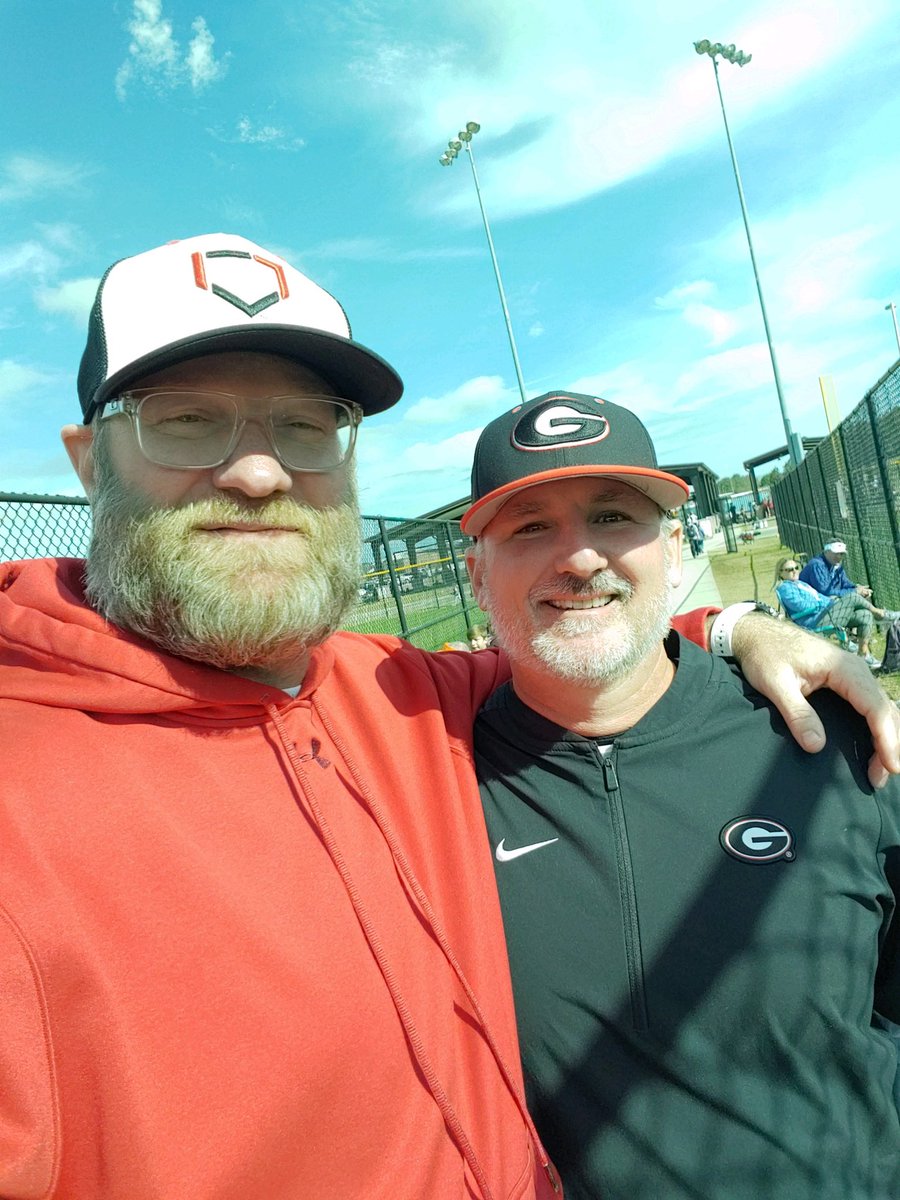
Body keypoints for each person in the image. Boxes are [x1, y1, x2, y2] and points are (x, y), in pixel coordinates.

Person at [0, 236, 897, 1200]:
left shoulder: (400, 693)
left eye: (308, 424)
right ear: (90, 463)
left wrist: (728, 626)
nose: (258, 472)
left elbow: (581, 652)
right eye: (185, 420)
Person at [462, 393, 900, 1200]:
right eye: (529, 526)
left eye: (613, 517)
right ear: (476, 573)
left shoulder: (825, 737)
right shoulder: (432, 777)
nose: (581, 556)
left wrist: (740, 626)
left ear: (671, 548)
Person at [775, 555, 892, 662]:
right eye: (789, 570)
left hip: (827, 614)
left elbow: (821, 597)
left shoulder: (801, 584)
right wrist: (823, 605)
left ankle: (863, 653)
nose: (794, 571)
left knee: (864, 615)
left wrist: (833, 602)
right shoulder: (785, 588)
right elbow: (800, 607)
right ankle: (880, 614)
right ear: (781, 573)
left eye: (796, 567)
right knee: (852, 596)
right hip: (815, 621)